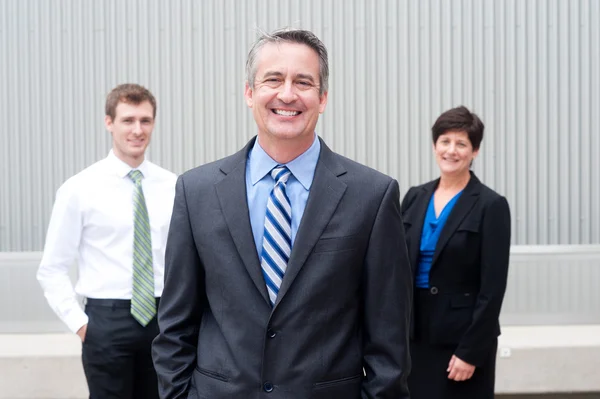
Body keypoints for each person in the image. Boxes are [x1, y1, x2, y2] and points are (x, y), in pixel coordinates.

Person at [152, 28, 412, 399]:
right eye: (273, 79)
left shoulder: (372, 196)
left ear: (322, 98)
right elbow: (175, 325)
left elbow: (389, 341)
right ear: (249, 93)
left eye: (303, 82)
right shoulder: (196, 191)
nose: (287, 94)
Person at [37, 83, 177, 399]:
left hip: (162, 319)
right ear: (109, 123)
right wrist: (82, 326)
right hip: (106, 321)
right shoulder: (79, 189)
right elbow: (52, 269)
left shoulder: (173, 187)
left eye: (145, 120)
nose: (137, 130)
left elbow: (182, 260)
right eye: (128, 120)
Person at [400, 105, 511, 398]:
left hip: (461, 341)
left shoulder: (491, 205)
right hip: (415, 335)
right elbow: (394, 266)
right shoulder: (414, 197)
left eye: (461, 143)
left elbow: (493, 288)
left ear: (474, 151)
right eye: (445, 141)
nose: (451, 150)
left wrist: (471, 352)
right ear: (435, 145)